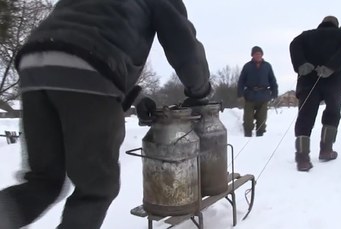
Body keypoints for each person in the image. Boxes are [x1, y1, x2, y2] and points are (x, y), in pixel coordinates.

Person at [0, 0, 211, 228]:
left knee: (42, 182)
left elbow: (89, 36)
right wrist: (200, 90)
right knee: (96, 187)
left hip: (34, 65)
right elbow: (182, 43)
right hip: (88, 68)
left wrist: (135, 98)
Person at [289, 16, 341, 172]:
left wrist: (301, 64)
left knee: (305, 116)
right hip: (334, 82)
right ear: (336, 25)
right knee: (332, 113)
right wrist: (331, 67)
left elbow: (294, 45)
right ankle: (326, 150)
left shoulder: (305, 36)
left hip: (308, 81)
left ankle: (302, 159)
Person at [237, 46, 278, 137]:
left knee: (262, 121)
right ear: (252, 55)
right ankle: (247, 136)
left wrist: (274, 93)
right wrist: (240, 94)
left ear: (262, 55)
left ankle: (260, 138)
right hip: (250, 96)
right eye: (256, 54)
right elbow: (241, 81)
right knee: (248, 121)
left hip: (263, 96)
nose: (258, 55)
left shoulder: (267, 66)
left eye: (259, 54)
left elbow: (272, 80)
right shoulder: (247, 66)